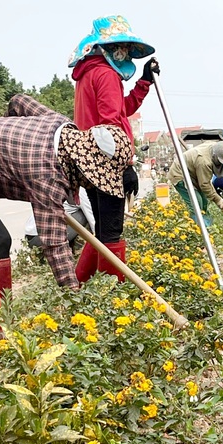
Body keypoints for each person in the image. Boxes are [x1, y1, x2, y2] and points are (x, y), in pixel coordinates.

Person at [0, 93, 131, 326]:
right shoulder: (47, 175)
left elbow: (19, 101)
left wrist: (3, 138)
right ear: (83, 165)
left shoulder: (60, 123)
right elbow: (54, 244)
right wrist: (74, 298)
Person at [68, 15, 159, 282]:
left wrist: (143, 83)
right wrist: (127, 163)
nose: (125, 52)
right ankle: (112, 296)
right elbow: (111, 126)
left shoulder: (88, 74)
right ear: (105, 47)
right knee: (111, 232)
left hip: (90, 160)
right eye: (121, 46)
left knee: (101, 231)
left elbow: (121, 110)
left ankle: (78, 285)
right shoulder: (106, 74)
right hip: (107, 162)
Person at [168, 140, 223, 226]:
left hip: (192, 173)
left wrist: (217, 199)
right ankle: (199, 231)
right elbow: (204, 184)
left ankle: (209, 226)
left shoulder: (214, 146)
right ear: (215, 156)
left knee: (204, 201)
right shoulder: (204, 161)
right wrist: (217, 199)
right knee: (196, 204)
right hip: (179, 174)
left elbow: (206, 182)